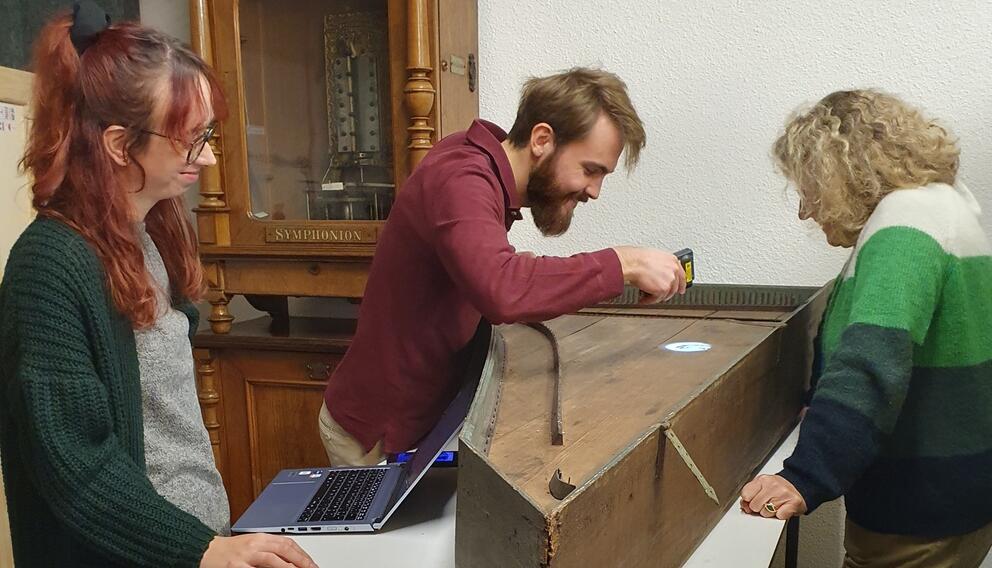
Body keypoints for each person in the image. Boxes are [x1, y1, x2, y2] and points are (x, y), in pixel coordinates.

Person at [0, 3, 317, 567]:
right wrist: (201, 550)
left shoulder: (151, 233)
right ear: (120, 145)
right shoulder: (48, 266)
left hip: (191, 543)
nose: (211, 155)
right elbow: (78, 468)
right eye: (192, 139)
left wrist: (215, 543)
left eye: (208, 134)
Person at [319, 67, 688, 466]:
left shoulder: (482, 170)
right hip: (375, 437)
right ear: (542, 140)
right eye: (590, 169)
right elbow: (502, 290)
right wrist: (623, 263)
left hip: (425, 423)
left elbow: (489, 271)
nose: (594, 191)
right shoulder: (462, 176)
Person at [740, 89, 992, 567]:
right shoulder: (947, 208)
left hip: (918, 515)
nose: (806, 210)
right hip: (958, 497)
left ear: (842, 172)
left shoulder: (906, 224)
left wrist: (804, 475)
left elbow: (872, 362)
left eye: (807, 188)